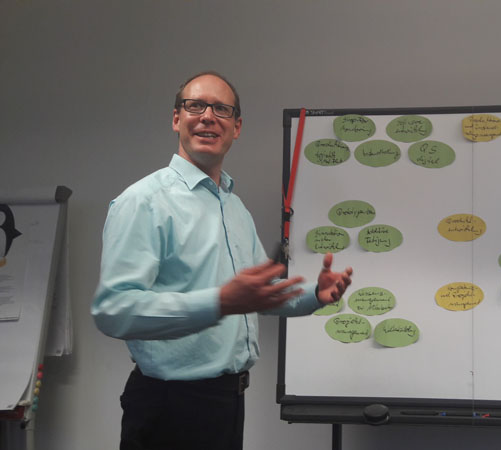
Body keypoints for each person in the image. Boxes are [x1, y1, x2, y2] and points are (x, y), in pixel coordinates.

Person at [92, 71, 353, 450]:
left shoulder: (233, 206)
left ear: (236, 127)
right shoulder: (143, 202)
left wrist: (315, 295)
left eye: (221, 109)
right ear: (177, 119)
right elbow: (114, 310)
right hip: (171, 408)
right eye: (195, 106)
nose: (208, 117)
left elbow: (257, 294)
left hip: (227, 401)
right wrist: (219, 302)